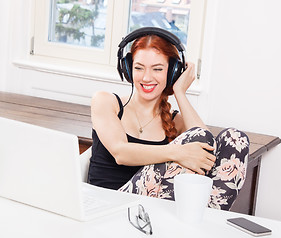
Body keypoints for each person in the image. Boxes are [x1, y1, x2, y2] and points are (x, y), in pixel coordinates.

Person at [87, 27, 249, 210]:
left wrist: (179, 91)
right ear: (127, 68)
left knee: (235, 139)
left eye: (157, 69)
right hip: (110, 205)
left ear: (171, 72)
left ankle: (202, 219)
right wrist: (178, 152)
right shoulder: (106, 101)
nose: (146, 77)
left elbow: (208, 149)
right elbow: (120, 153)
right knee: (196, 139)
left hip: (154, 210)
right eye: (139, 68)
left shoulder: (175, 121)